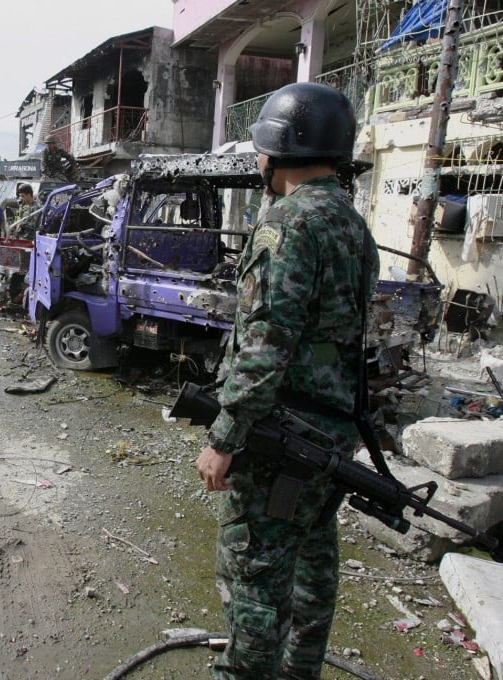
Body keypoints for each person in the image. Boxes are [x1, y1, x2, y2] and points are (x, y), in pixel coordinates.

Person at [195, 82, 379, 679]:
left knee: (253, 573)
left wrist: (224, 438)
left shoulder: (288, 223)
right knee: (312, 565)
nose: (257, 161)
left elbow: (265, 343)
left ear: (282, 148)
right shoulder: (352, 224)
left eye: (261, 148)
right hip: (330, 433)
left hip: (284, 435)